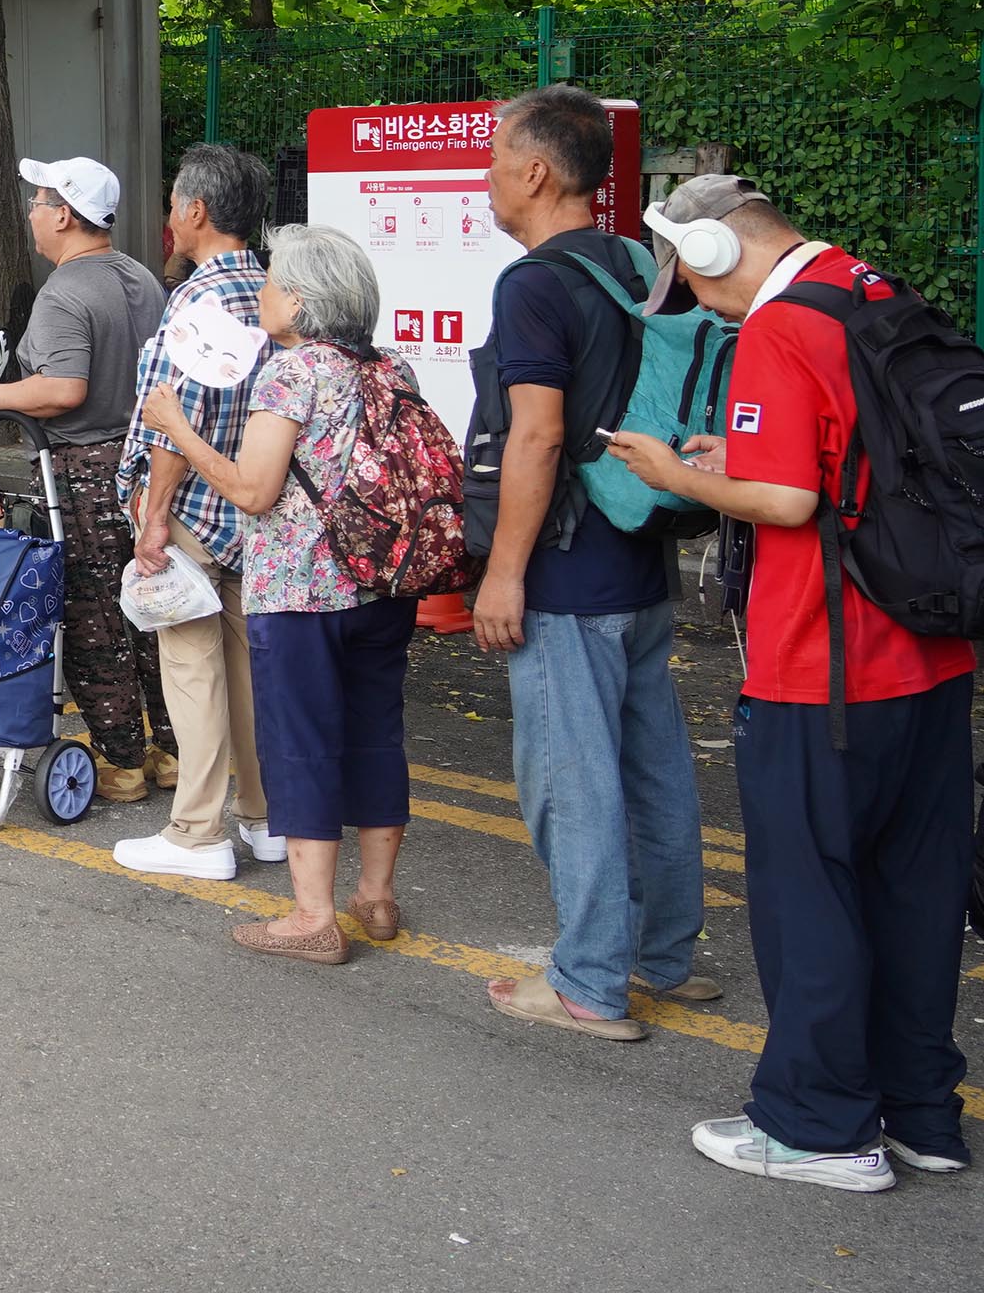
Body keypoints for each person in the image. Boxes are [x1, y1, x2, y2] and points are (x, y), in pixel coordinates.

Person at [604, 177, 975, 1192]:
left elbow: (786, 497)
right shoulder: (871, 291)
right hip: (932, 660)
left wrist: (676, 473)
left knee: (810, 897)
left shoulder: (777, 326)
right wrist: (741, 450)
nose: (697, 299)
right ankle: (922, 1113)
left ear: (719, 250)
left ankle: (817, 1125)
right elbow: (850, 458)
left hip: (827, 673)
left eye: (692, 275)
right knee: (917, 893)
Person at [468, 86, 708, 1041]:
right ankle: (666, 958)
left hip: (565, 571)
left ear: (535, 172)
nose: (486, 178)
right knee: (653, 766)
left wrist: (504, 573)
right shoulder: (633, 263)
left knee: (572, 778)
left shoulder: (532, 284)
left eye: (493, 159)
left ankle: (591, 981)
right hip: (640, 553)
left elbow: (535, 439)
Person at [142, 223, 413, 966]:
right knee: (375, 733)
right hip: (382, 585)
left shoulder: (293, 372)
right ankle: (378, 896)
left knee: (301, 742)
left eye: (273, 283)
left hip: (302, 590)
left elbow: (254, 490)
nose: (263, 293)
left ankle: (312, 915)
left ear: (299, 300)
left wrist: (179, 430)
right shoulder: (389, 369)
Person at [0, 155, 174, 801]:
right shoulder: (141, 279)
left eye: (38, 202)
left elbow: (64, 388)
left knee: (92, 618)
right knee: (152, 612)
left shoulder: (65, 292)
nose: (31, 214)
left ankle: (122, 761)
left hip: (82, 473)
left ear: (63, 214)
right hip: (146, 464)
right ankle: (174, 750)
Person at [113, 144, 285, 879]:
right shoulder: (272, 289)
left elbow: (170, 420)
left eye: (173, 203)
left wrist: (153, 518)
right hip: (255, 505)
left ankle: (196, 833)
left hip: (189, 508)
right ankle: (265, 817)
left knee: (193, 670)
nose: (168, 218)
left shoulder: (197, 298)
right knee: (248, 672)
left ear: (196, 210)